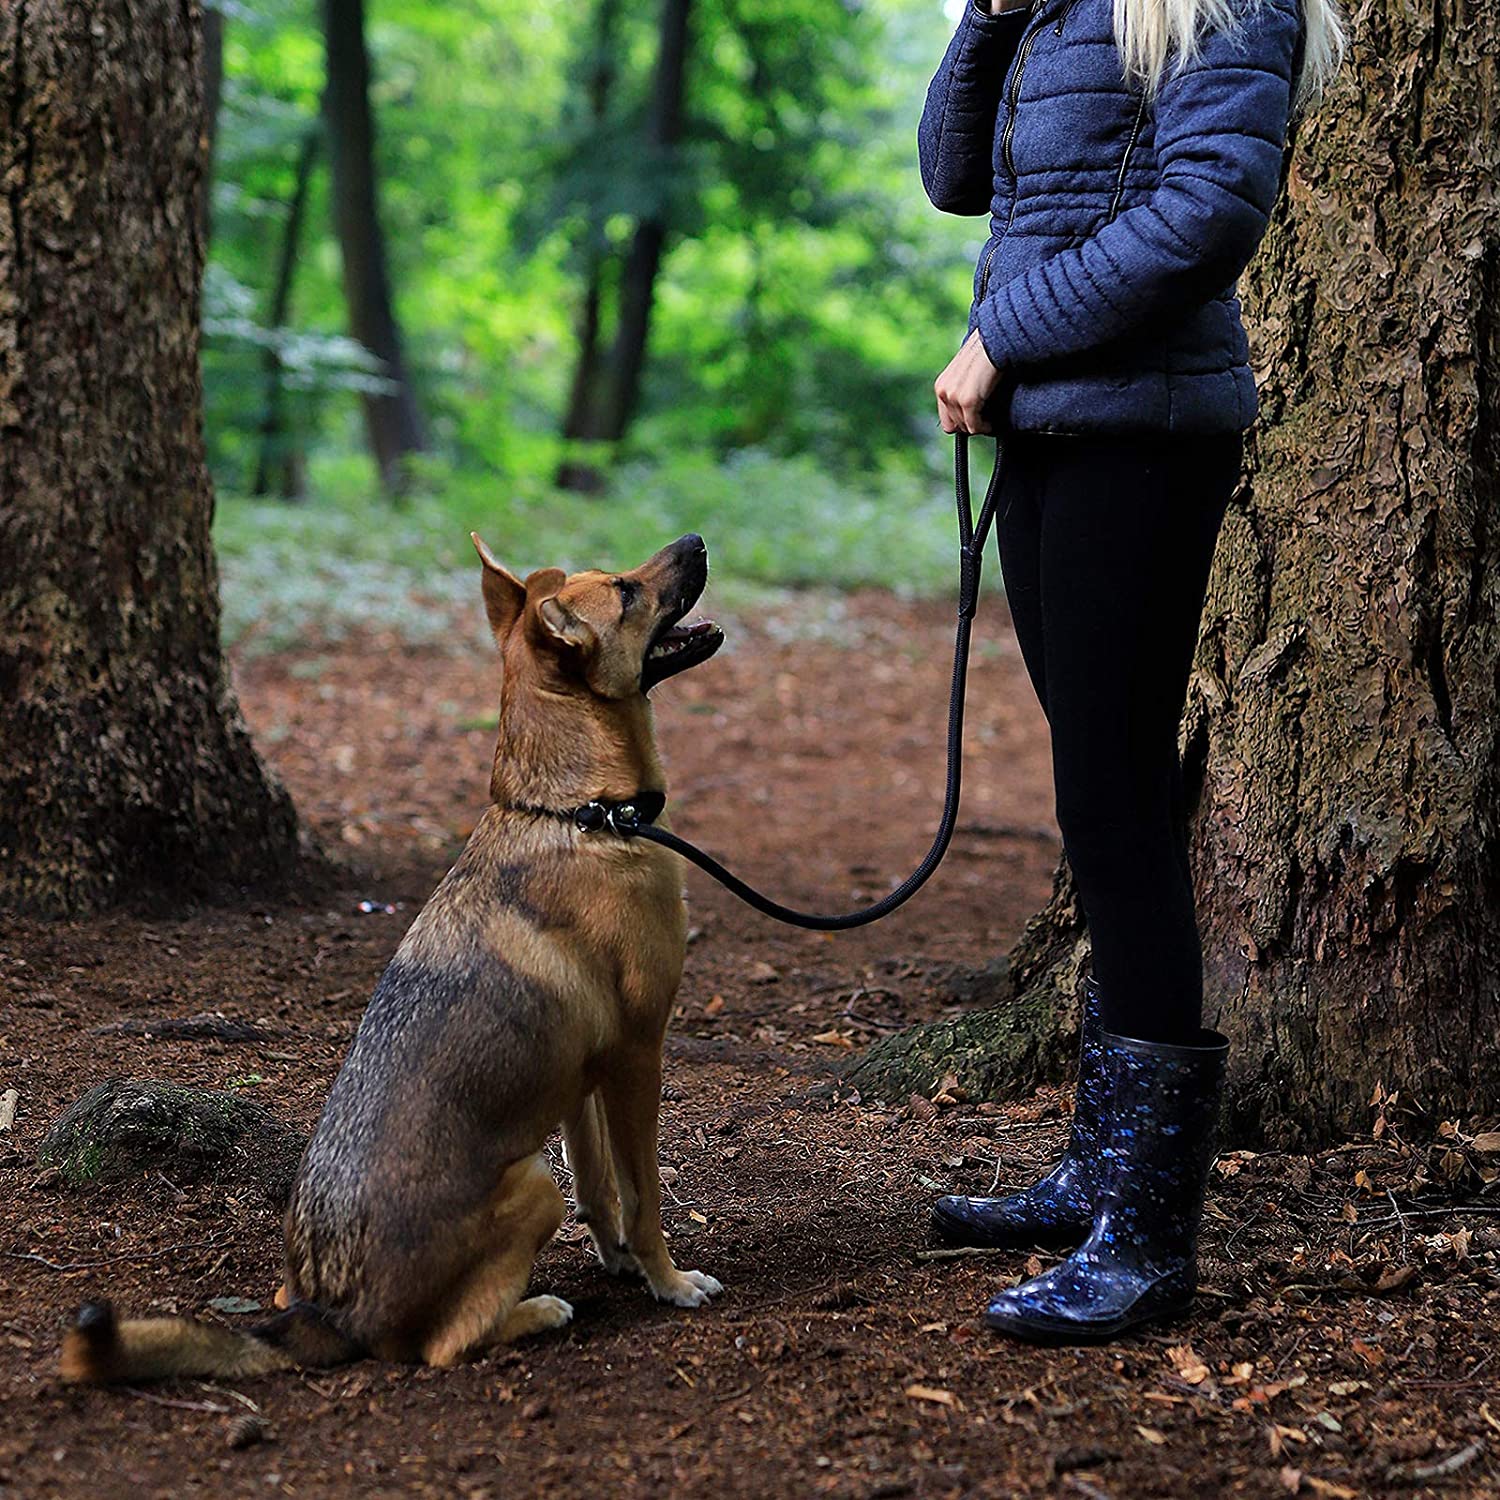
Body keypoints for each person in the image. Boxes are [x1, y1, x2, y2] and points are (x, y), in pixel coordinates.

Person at [918, 0, 1345, 1342]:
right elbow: (952, 175)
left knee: (1112, 803)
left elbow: (1212, 207)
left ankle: (1152, 1233)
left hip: (1142, 434)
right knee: (1103, 803)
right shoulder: (1057, 14)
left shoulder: (1222, 1)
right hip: (1053, 430)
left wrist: (1004, 334)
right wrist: (984, 23)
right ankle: (1105, 1170)